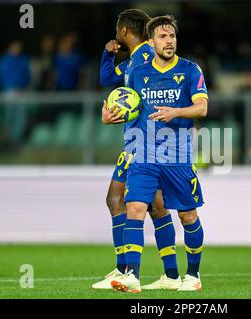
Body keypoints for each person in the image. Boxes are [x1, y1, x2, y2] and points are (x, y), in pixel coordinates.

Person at [110, 15, 208, 293]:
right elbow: (131, 108)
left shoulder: (190, 70)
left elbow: (201, 108)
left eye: (172, 37)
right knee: (135, 208)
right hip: (144, 155)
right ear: (151, 41)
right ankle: (132, 275)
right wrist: (110, 117)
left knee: (188, 216)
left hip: (177, 157)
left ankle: (193, 275)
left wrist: (176, 111)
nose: (169, 41)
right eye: (163, 37)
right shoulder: (138, 73)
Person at [92, 9, 180, 291]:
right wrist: (108, 55)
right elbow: (108, 80)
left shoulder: (145, 57)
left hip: (143, 141)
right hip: (140, 139)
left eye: (117, 31)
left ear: (124, 32)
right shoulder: (134, 60)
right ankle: (170, 274)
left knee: (118, 200)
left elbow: (150, 98)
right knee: (155, 206)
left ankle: (127, 271)